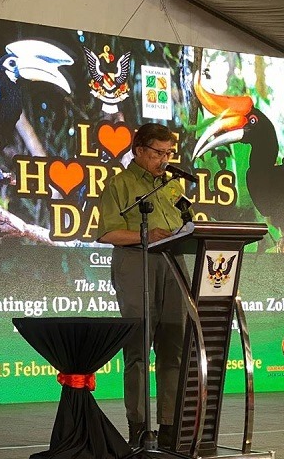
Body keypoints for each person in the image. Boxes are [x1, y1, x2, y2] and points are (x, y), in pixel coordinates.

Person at [97, 123, 189, 449]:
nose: (164, 160)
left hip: (174, 266)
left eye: (168, 153)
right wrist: (146, 236)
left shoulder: (170, 188)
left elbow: (183, 226)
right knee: (138, 351)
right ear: (139, 151)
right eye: (158, 153)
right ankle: (138, 428)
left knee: (174, 349)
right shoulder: (120, 185)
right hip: (136, 264)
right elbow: (107, 233)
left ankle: (169, 429)